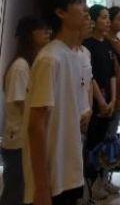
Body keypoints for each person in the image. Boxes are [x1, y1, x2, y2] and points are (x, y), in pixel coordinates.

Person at [23, 0, 87, 205]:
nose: (85, 8)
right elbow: (35, 125)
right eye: (78, 2)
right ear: (60, 12)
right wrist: (41, 186)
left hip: (70, 172)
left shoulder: (73, 55)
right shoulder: (50, 59)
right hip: (51, 179)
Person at [1, 17, 50, 205]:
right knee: (15, 193)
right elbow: (25, 107)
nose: (47, 33)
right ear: (30, 34)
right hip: (17, 142)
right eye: (42, 29)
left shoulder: (32, 63)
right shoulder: (20, 67)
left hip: (24, 140)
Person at [83, 5, 118, 199]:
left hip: (108, 102)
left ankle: (102, 180)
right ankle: (90, 184)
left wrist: (113, 99)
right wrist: (102, 102)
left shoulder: (108, 45)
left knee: (105, 143)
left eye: (108, 17)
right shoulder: (88, 45)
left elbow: (112, 74)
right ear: (94, 20)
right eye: (103, 17)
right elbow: (91, 77)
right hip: (95, 104)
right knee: (93, 144)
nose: (107, 21)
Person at [106, 6, 120, 138]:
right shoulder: (105, 41)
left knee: (113, 131)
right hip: (109, 92)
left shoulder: (118, 41)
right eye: (119, 19)